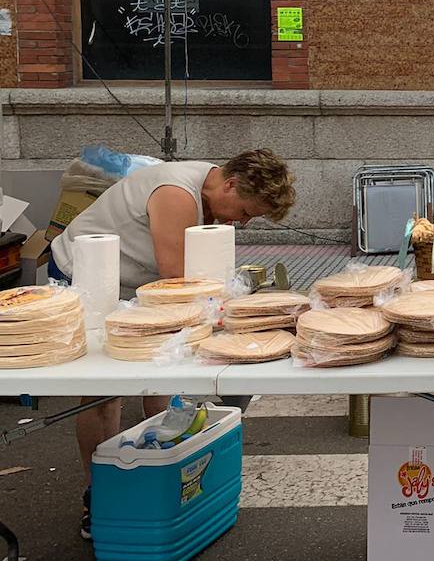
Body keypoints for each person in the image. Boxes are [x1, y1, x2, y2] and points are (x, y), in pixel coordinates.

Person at [48, 149, 296, 539]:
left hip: (138, 289)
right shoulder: (176, 192)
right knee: (103, 391)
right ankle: (99, 498)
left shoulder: (211, 192)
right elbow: (177, 280)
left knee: (163, 376)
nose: (243, 223)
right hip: (87, 281)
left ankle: (157, 473)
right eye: (246, 211)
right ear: (230, 184)